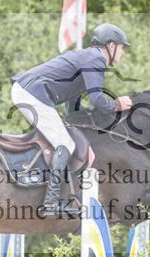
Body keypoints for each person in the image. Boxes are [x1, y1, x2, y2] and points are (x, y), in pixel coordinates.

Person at [11, 23, 132, 218]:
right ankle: (50, 203)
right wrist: (115, 105)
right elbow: (97, 99)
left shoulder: (88, 57)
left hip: (29, 91)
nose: (123, 53)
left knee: (65, 137)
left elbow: (72, 101)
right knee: (65, 143)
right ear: (111, 46)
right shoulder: (96, 60)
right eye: (122, 47)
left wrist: (87, 116)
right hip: (30, 93)